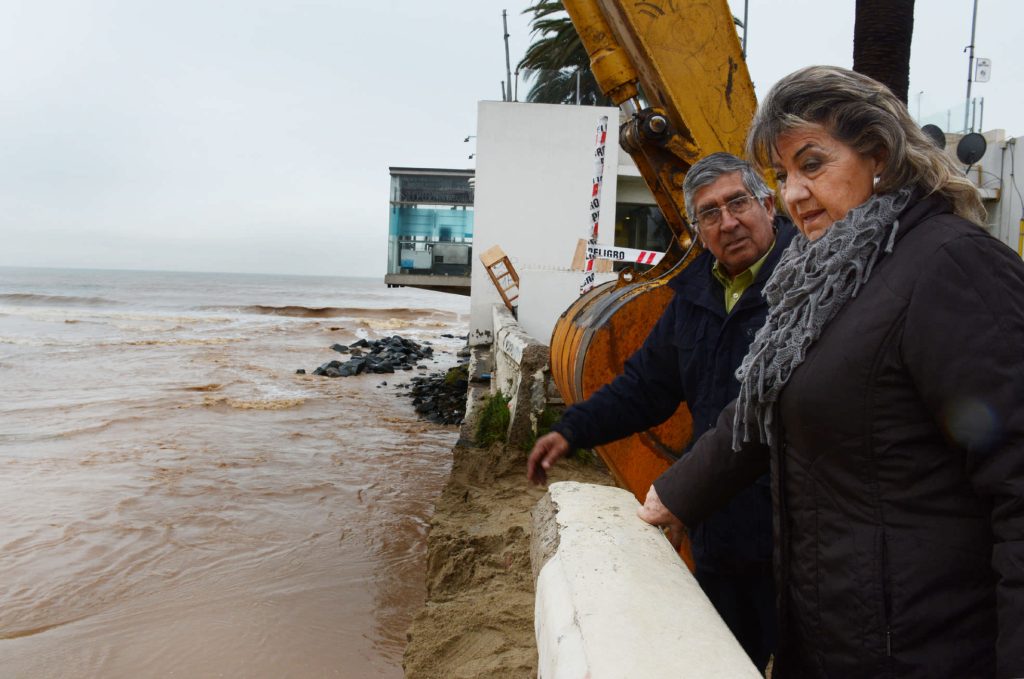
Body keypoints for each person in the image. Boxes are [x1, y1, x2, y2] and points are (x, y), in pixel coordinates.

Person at [638, 65, 1024, 678]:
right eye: (783, 174)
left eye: (812, 165)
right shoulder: (827, 278)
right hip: (830, 636)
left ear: (879, 154)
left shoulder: (952, 267)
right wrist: (672, 498)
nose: (792, 194)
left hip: (923, 650)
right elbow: (763, 409)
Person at [527, 152, 797, 671]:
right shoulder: (693, 295)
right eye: (710, 213)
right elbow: (645, 387)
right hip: (719, 530)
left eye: (737, 202)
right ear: (697, 228)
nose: (728, 222)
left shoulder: (808, 287)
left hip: (800, 539)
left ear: (767, 203)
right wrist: (571, 430)